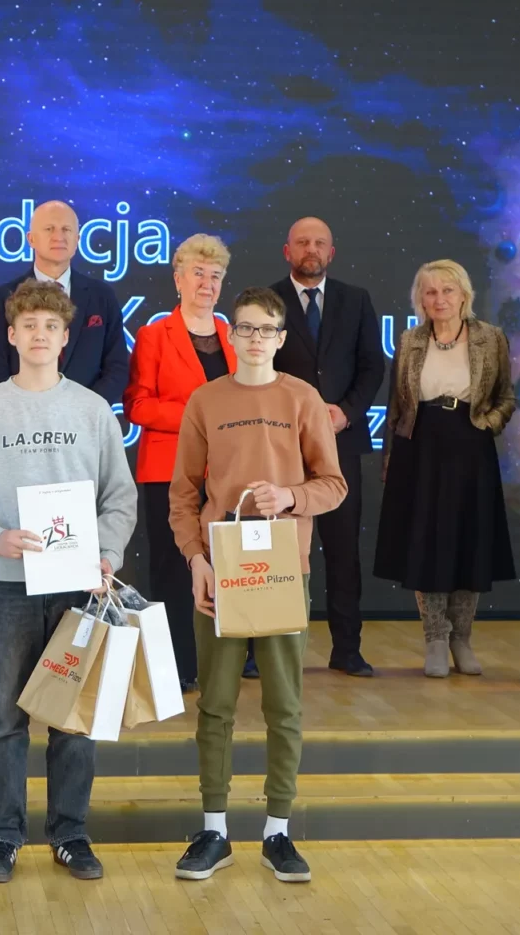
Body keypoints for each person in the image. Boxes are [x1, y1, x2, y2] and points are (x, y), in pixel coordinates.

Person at [0, 280, 137, 885]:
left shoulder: (92, 411)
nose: (40, 335)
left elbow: (119, 497)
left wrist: (107, 553)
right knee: (6, 719)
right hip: (6, 586)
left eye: (51, 326)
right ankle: (3, 836)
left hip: (79, 589)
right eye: (29, 326)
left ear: (65, 337)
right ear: (12, 335)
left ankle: (70, 833)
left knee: (73, 719)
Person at [168, 286, 347, 884]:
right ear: (231, 334)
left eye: (266, 329)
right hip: (220, 571)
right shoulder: (206, 399)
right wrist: (196, 559)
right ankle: (214, 830)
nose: (254, 339)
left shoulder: (302, 398)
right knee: (215, 703)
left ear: (281, 338)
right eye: (244, 328)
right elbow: (183, 494)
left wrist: (290, 497)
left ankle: (278, 832)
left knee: (284, 705)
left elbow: (333, 485)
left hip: (281, 571)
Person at [374, 260, 515, 678]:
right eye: (431, 292)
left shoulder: (490, 337)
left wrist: (487, 424)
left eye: (448, 291)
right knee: (426, 543)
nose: (439, 299)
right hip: (419, 448)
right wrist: (390, 458)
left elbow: (506, 396)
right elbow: (396, 405)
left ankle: (462, 639)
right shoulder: (410, 340)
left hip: (471, 445)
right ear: (420, 299)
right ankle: (435, 638)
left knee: (470, 542)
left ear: (464, 295)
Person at [269, 217, 385, 678]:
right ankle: (265, 649)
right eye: (302, 242)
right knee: (277, 551)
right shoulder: (268, 300)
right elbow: (259, 366)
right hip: (281, 445)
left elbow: (372, 366)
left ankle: (347, 650)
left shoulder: (356, 300)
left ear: (331, 252)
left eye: (319, 243)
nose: (311, 249)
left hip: (342, 442)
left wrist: (347, 413)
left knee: (342, 550)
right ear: (287, 250)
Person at [124, 233, 235, 692]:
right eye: (198, 273)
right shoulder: (153, 336)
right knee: (172, 570)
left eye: (215, 276)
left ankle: (227, 663)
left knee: (228, 567)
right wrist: (197, 414)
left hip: (227, 473)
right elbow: (137, 405)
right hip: (168, 472)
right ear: (178, 279)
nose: (207, 283)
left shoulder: (233, 336)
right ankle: (177, 665)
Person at [0, 200, 130, 405]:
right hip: (21, 416)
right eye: (49, 229)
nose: (59, 237)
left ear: (77, 240)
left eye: (66, 229)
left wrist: (83, 409)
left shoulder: (102, 296)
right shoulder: (5, 297)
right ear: (31, 239)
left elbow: (117, 368)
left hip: (85, 416)